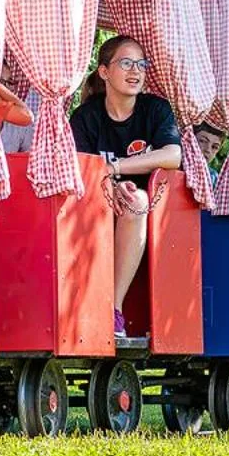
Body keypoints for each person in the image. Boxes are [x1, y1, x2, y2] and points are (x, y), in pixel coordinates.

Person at [69, 34, 183, 337]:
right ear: (104, 72)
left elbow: (173, 154)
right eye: (126, 63)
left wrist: (116, 168)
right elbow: (82, 164)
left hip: (154, 205)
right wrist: (109, 181)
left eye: (141, 64)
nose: (136, 71)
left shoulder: (155, 109)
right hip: (99, 195)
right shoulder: (86, 116)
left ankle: (113, 310)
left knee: (136, 201)